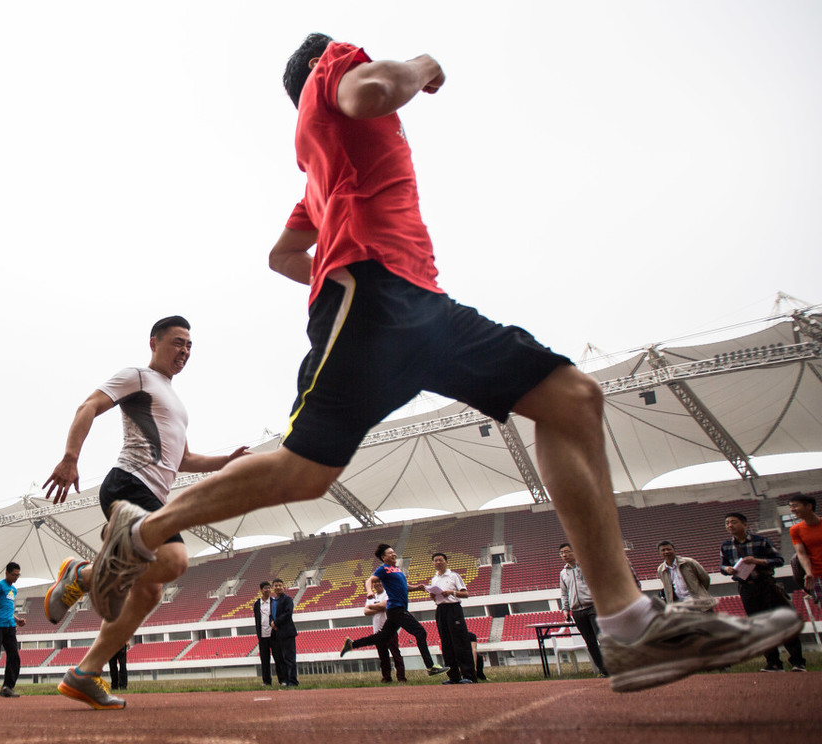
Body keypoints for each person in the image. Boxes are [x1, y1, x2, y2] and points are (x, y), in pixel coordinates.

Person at [86, 32, 803, 695]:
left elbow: (281, 257)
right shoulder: (333, 71)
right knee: (535, 406)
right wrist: (424, 66)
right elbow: (373, 90)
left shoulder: (319, 174)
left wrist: (335, 267)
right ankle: (140, 533)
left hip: (406, 303)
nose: (356, 68)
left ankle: (628, 626)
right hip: (381, 294)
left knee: (554, 404)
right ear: (322, 70)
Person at [40, 316, 249, 710]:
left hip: (152, 494)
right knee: (174, 560)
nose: (184, 351)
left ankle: (84, 674)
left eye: (189, 346)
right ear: (154, 342)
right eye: (177, 343)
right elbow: (89, 405)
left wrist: (226, 461)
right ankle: (82, 575)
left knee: (149, 590)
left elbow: (183, 459)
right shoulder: (137, 376)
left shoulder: (177, 403)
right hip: (128, 483)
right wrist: (70, 456)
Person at [340, 544, 447, 678]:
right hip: (396, 608)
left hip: (397, 609)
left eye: (394, 552)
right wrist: (369, 591)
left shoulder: (396, 569)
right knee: (420, 632)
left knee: (382, 637)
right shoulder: (383, 569)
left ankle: (352, 644)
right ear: (384, 557)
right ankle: (431, 666)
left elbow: (403, 587)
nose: (394, 554)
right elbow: (370, 580)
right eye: (390, 553)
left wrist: (416, 588)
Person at [719, 512, 806, 672]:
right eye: (727, 523)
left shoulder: (761, 541)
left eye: (733, 522)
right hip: (746, 588)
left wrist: (757, 561)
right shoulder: (726, 545)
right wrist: (727, 569)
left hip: (767, 585)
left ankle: (797, 661)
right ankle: (773, 663)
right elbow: (722, 566)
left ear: (745, 524)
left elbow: (779, 560)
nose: (730, 525)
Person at [558, 543, 608, 677]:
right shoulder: (563, 573)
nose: (564, 555)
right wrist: (565, 609)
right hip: (577, 611)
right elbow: (564, 593)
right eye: (562, 553)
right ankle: (603, 670)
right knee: (590, 642)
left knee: (602, 638)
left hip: (593, 607)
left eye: (567, 551)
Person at [429, 553, 477, 684]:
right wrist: (433, 596)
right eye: (435, 561)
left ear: (446, 561)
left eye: (440, 560)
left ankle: (469, 676)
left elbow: (465, 594)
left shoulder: (454, 576)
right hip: (440, 610)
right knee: (446, 644)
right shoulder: (434, 579)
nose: (438, 562)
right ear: (433, 563)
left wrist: (451, 592)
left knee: (460, 642)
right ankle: (453, 676)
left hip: (454, 609)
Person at [0, 562, 25, 698]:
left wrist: (17, 620)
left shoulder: (13, 590)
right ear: (7, 573)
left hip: (10, 626)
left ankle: (7, 687)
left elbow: (7, 608)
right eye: (13, 575)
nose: (15, 577)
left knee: (14, 656)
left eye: (18, 575)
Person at [363, 576, 406, 683]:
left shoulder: (388, 593)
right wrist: (378, 607)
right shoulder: (371, 596)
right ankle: (386, 677)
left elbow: (386, 606)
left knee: (396, 654)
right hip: (377, 631)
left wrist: (373, 607)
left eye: (379, 581)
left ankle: (401, 677)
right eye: (375, 582)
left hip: (390, 628)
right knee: (383, 656)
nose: (377, 584)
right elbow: (366, 612)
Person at [655, 541, 713, 608]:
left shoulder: (689, 562)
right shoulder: (661, 570)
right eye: (663, 550)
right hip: (680, 605)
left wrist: (700, 592)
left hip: (698, 603)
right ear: (659, 553)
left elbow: (705, 578)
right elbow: (667, 587)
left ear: (674, 550)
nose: (666, 552)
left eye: (669, 549)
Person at [789, 494, 821, 606]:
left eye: (795, 506)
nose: (792, 509)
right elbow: (801, 553)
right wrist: (809, 573)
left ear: (809, 506)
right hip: (817, 575)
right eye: (791, 507)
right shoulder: (795, 530)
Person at [270, 578, 299, 686]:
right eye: (275, 585)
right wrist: (272, 623)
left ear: (283, 587)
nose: (278, 587)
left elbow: (288, 613)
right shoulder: (273, 601)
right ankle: (285, 680)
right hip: (277, 633)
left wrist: (276, 623)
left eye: (279, 585)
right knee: (281, 658)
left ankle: (293, 681)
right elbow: (270, 615)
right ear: (273, 587)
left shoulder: (287, 599)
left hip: (287, 632)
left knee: (289, 658)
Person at [253, 581, 275, 685]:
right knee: (265, 659)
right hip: (262, 635)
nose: (267, 590)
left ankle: (282, 680)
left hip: (274, 634)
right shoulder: (257, 604)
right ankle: (266, 681)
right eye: (265, 588)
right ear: (261, 590)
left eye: (269, 588)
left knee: (278, 658)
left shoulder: (274, 602)